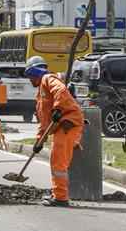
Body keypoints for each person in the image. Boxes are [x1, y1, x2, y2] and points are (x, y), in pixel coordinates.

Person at [24, 55, 84, 207]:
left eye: (30, 76)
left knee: (58, 162)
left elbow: (61, 91)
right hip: (63, 126)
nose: (29, 80)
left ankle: (61, 198)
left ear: (35, 72)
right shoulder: (41, 93)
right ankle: (58, 194)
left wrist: (58, 108)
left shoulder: (47, 79)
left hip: (67, 124)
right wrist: (39, 141)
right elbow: (44, 123)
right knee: (58, 161)